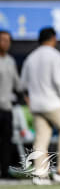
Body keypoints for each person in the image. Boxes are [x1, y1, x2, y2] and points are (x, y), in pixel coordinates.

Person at [21, 27, 60, 185]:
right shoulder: (56, 55)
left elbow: (23, 83)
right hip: (53, 103)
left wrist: (29, 98)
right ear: (53, 38)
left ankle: (40, 175)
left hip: (36, 105)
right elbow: (58, 80)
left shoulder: (30, 57)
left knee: (41, 138)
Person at [0, 30, 22, 178]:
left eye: (8, 40)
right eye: (3, 40)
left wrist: (26, 95)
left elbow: (17, 84)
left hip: (6, 107)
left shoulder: (10, 60)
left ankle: (5, 170)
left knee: (6, 140)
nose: (5, 43)